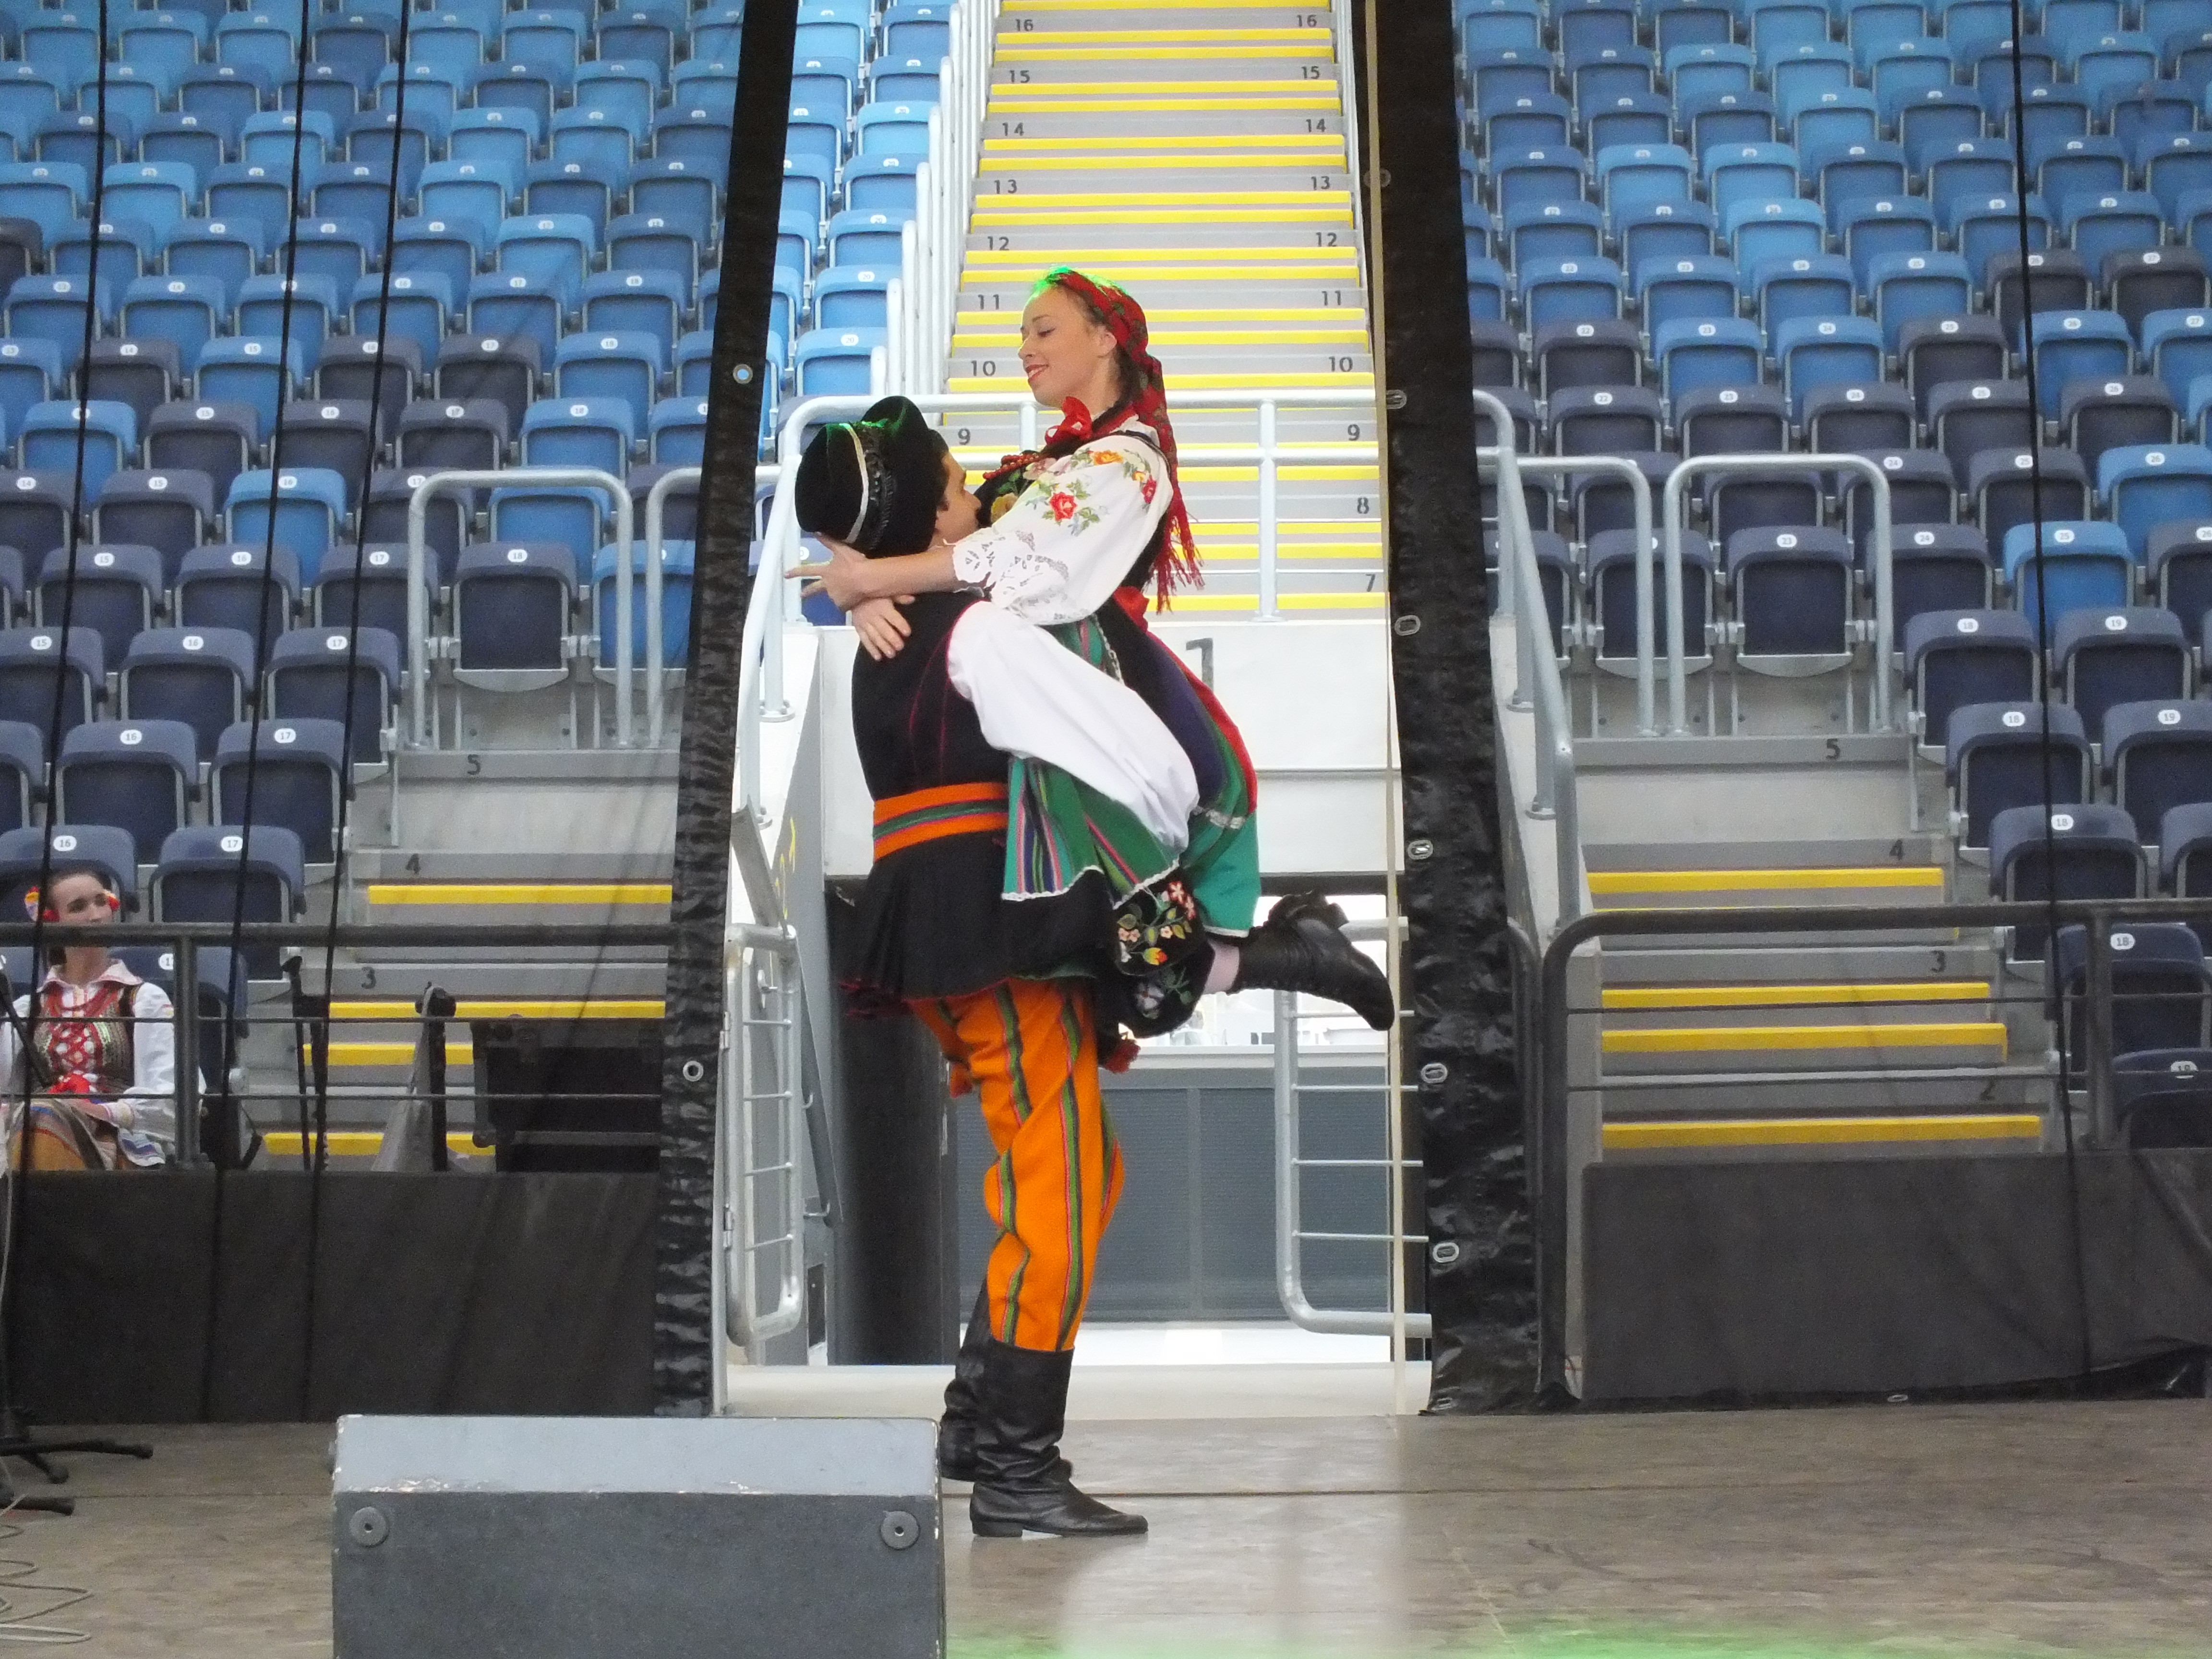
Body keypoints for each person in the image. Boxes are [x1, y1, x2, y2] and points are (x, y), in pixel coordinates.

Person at [793, 274, 1392, 1539]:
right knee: (1060, 1179)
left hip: (944, 919)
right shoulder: (973, 627)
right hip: (998, 914)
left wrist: (860, 580)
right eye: (954, 486)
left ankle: (979, 1425)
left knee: (1075, 1169)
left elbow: (989, 559)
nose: (974, 491)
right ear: (928, 512)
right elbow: (1130, 748)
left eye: (1044, 329)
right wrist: (1163, 828)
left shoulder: (905, 622)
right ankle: (1017, 1470)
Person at [0, 866, 176, 1170]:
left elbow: (172, 1092)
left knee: (40, 1120)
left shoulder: (142, 999)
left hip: (115, 1140)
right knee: (37, 1119)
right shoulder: (28, 1009)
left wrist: (106, 1112)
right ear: (52, 922)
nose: (96, 916)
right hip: (32, 1128)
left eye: (101, 901)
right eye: (79, 907)